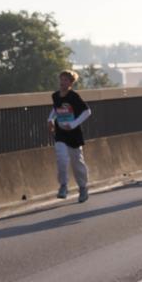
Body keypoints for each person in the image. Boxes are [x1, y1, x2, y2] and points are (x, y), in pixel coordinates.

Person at [48, 70, 91, 202]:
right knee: (61, 159)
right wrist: (50, 119)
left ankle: (83, 188)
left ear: (71, 83)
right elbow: (56, 109)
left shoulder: (74, 97)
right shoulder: (55, 96)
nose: (62, 82)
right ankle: (63, 186)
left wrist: (73, 124)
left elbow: (87, 111)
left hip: (74, 134)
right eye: (61, 79)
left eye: (66, 80)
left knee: (77, 162)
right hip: (60, 133)